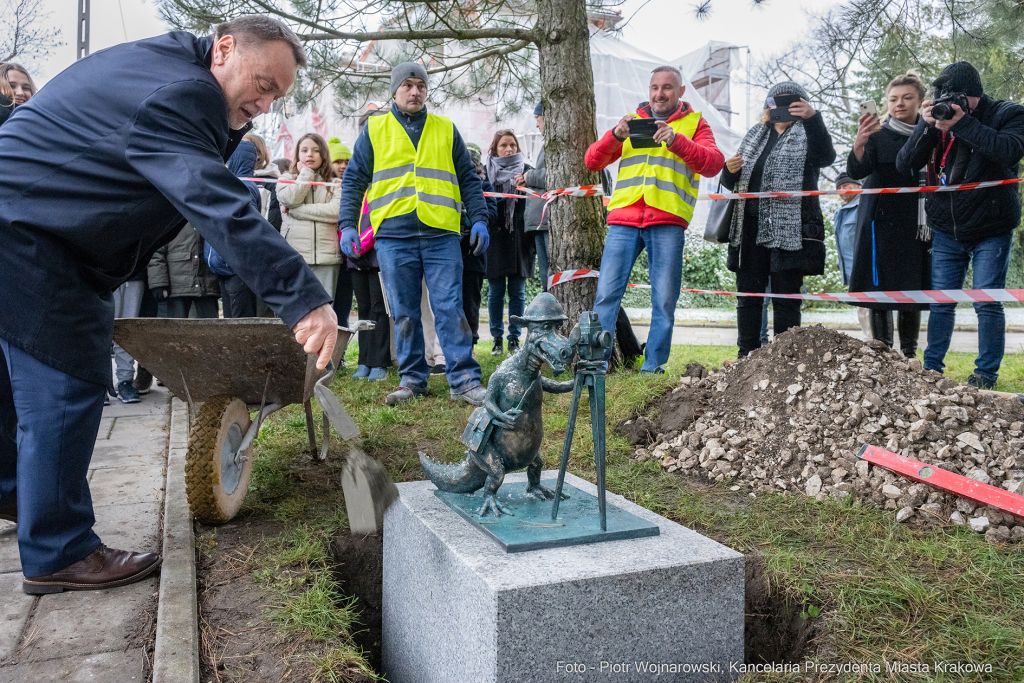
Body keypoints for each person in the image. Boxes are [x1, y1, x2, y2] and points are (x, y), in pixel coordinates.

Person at [0, 16, 337, 594]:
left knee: (15, 379)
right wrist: (304, 299)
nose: (265, 102)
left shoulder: (166, 67)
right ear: (224, 48)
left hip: (25, 217)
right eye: (262, 84)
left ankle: (14, 493)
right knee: (66, 382)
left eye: (277, 95)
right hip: (33, 235)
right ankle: (58, 549)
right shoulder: (181, 92)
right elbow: (214, 199)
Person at [338, 62, 491, 406]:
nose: (415, 91)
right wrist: (347, 224)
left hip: (441, 234)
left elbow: (468, 179)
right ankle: (412, 380)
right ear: (394, 90)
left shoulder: (445, 128)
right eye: (407, 85)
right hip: (393, 236)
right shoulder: (374, 130)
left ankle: (464, 380)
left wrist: (479, 218)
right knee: (405, 312)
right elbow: (353, 181)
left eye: (420, 85)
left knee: (449, 308)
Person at [585, 66, 724, 373]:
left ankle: (653, 368)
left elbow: (714, 164)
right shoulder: (632, 122)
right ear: (649, 91)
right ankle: (596, 365)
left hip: (667, 221)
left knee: (663, 301)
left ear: (680, 92)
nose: (660, 93)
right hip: (624, 219)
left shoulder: (695, 124)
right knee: (606, 295)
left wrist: (677, 141)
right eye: (655, 88)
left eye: (667, 88)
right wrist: (615, 135)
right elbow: (593, 160)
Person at [897, 62, 1024, 388]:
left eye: (956, 98)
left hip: (991, 227)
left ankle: (984, 375)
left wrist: (963, 123)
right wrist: (926, 127)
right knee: (941, 302)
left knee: (985, 301)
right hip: (945, 228)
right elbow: (904, 164)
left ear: (973, 96)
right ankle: (932, 370)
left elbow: (1009, 151)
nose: (948, 105)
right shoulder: (935, 120)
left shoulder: (1008, 113)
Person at [722, 81, 837, 358]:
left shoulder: (808, 133)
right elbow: (731, 183)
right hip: (749, 229)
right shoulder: (754, 135)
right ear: (767, 106)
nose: (782, 108)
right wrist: (728, 171)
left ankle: (785, 359)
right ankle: (745, 356)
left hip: (790, 229)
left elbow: (826, 157)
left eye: (791, 102)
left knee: (786, 299)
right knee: (748, 297)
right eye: (776, 102)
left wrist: (813, 118)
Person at [848, 71, 933, 355]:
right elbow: (857, 170)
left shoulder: (932, 132)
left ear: (920, 101)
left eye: (908, 98)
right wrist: (859, 143)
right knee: (878, 288)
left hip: (916, 221)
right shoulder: (877, 134)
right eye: (893, 99)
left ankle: (909, 355)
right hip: (879, 220)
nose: (900, 104)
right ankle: (883, 353)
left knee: (911, 287)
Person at [485, 129, 535, 356]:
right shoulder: (487, 173)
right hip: (495, 238)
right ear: (495, 149)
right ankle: (496, 338)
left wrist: (526, 183)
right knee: (495, 291)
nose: (509, 149)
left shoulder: (527, 172)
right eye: (503, 145)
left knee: (517, 291)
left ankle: (514, 338)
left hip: (520, 239)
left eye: (513, 145)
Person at [278, 133, 343, 298]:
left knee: (325, 309)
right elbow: (291, 200)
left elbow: (336, 212)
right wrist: (306, 174)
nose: (309, 154)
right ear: (297, 154)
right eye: (304, 150)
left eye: (315, 150)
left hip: (327, 258)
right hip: (295, 256)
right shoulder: (286, 179)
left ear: (323, 154)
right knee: (297, 310)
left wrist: (296, 211)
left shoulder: (334, 183)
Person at [217, 139, 264, 317]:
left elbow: (242, 225)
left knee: (239, 320)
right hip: (229, 264)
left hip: (237, 264)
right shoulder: (233, 184)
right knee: (231, 318)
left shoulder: (242, 186)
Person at [461, 143, 498, 348]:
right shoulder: (452, 184)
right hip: (451, 253)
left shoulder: (485, 186)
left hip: (474, 255)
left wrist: (473, 218)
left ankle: (471, 342)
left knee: (471, 302)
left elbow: (492, 212)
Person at [830, 173, 872, 340]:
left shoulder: (864, 206)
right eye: (839, 188)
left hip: (866, 266)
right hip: (852, 268)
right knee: (861, 308)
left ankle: (875, 342)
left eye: (846, 186)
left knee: (871, 307)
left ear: (858, 186)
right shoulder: (841, 212)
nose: (842, 190)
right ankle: (867, 339)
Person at [519, 102, 550, 291]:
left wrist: (529, 176)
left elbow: (556, 174)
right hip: (540, 221)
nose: (537, 125)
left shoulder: (555, 144)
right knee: (546, 275)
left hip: (546, 221)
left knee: (550, 275)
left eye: (537, 119)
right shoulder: (547, 145)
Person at [328, 136, 355, 329]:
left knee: (343, 309)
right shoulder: (322, 187)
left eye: (347, 162)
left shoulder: (355, 188)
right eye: (338, 161)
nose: (343, 166)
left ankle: (341, 354)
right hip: (326, 255)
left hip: (347, 259)